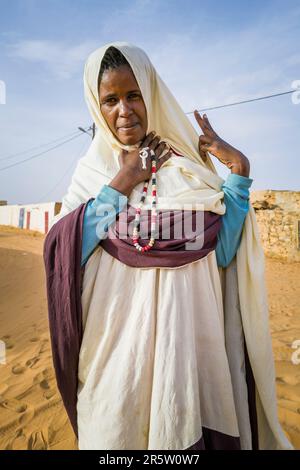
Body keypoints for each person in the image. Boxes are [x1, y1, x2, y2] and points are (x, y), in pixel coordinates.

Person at [43, 41, 293, 450]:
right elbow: (65, 252)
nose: (124, 110)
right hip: (115, 366)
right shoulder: (92, 174)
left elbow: (222, 254)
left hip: (187, 363)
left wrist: (239, 173)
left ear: (151, 94)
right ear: (96, 105)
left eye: (133, 95)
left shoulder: (186, 168)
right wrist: (125, 181)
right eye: (110, 99)